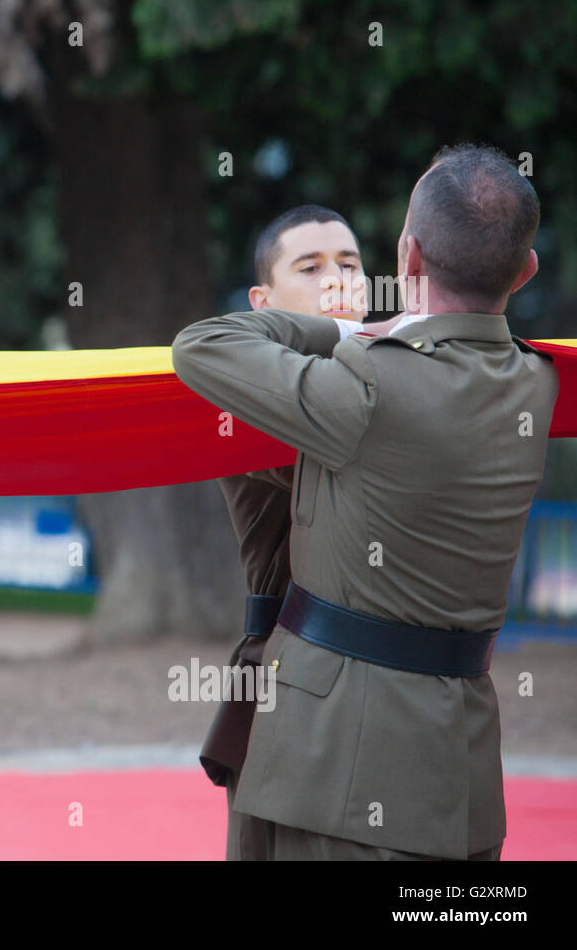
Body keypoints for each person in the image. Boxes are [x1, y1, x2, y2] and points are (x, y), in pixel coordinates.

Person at [173, 144, 557, 860]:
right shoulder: (538, 381)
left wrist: (347, 333)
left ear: (406, 258)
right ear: (527, 269)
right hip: (463, 770)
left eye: (347, 264)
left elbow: (201, 346)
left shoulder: (368, 384)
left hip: (334, 773)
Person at [198, 205, 367, 861]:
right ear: (264, 302)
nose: (337, 280)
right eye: (312, 266)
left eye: (350, 265)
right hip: (284, 672)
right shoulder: (250, 393)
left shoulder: (378, 376)